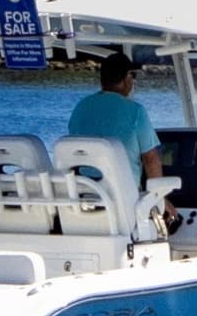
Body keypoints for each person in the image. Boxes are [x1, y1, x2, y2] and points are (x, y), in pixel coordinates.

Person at [68, 51, 179, 228]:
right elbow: (150, 159)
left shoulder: (80, 108)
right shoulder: (136, 112)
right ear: (127, 78)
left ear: (102, 79)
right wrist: (161, 199)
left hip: (84, 199)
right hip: (123, 203)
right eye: (132, 75)